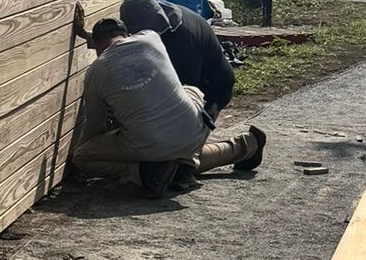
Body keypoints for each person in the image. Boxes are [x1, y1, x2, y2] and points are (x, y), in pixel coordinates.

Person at [69, 16, 265, 195]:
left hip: (151, 145)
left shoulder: (96, 71)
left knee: (83, 156)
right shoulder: (150, 38)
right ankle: (248, 145)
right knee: (190, 93)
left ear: (96, 46)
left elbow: (95, 127)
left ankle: (142, 173)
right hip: (192, 131)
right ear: (127, 35)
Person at [120, 0, 235, 122]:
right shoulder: (158, 13)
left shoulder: (183, 40)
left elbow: (188, 89)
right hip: (192, 76)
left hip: (212, 87)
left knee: (183, 126)